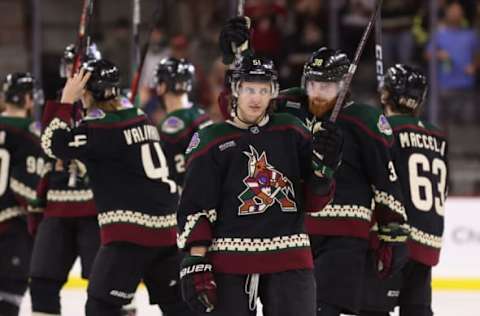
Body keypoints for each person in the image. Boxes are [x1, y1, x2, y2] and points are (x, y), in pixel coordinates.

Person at [220, 20, 407, 316]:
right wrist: (238, 59)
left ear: (344, 84)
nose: (318, 93)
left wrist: (393, 232)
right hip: (291, 234)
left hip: (343, 237)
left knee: (322, 310)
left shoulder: (364, 120)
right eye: (313, 84)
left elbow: (386, 181)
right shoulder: (288, 105)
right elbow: (242, 109)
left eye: (328, 86)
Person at [176, 55, 341, 316]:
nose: (256, 98)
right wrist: (196, 259)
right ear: (235, 90)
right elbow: (196, 205)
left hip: (290, 258)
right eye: (249, 89)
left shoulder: (293, 131)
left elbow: (314, 202)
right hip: (230, 262)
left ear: (274, 92)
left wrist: (325, 171)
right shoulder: (210, 141)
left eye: (264, 90)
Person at [40, 59, 192, 316]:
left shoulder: (101, 129)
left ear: (87, 92)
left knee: (101, 307)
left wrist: (65, 102)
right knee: (178, 308)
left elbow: (52, 143)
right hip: (167, 231)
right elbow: (119, 158)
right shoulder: (140, 118)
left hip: (130, 235)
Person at [361, 64, 448, 316]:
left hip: (393, 238)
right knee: (417, 310)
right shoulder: (438, 135)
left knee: (374, 310)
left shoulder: (384, 129)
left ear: (385, 94)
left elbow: (376, 179)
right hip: (429, 240)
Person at [29, 43, 101, 316]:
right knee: (42, 282)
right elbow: (47, 147)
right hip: (58, 205)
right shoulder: (60, 101)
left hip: (96, 207)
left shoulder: (110, 101)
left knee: (105, 288)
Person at [0, 72, 43, 316]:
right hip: (12, 226)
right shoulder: (31, 133)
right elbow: (27, 190)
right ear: (28, 99)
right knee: (8, 299)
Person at [154, 57, 212, 189]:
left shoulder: (170, 125)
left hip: (186, 196)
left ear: (162, 86)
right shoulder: (201, 113)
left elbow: (169, 174)